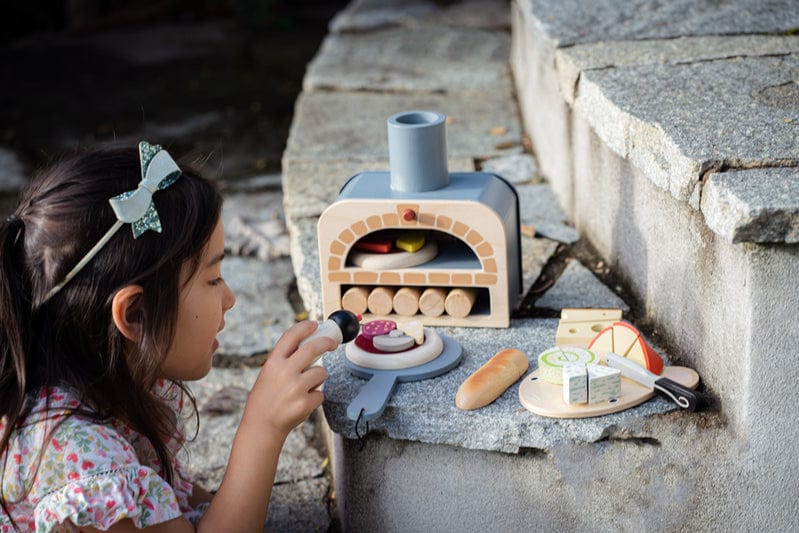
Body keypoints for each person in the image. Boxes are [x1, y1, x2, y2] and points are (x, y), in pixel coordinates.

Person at [0, 142, 334, 531]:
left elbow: (183, 508)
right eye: (212, 278)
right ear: (135, 315)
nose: (230, 298)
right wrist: (262, 428)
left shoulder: (112, 378)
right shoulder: (80, 466)